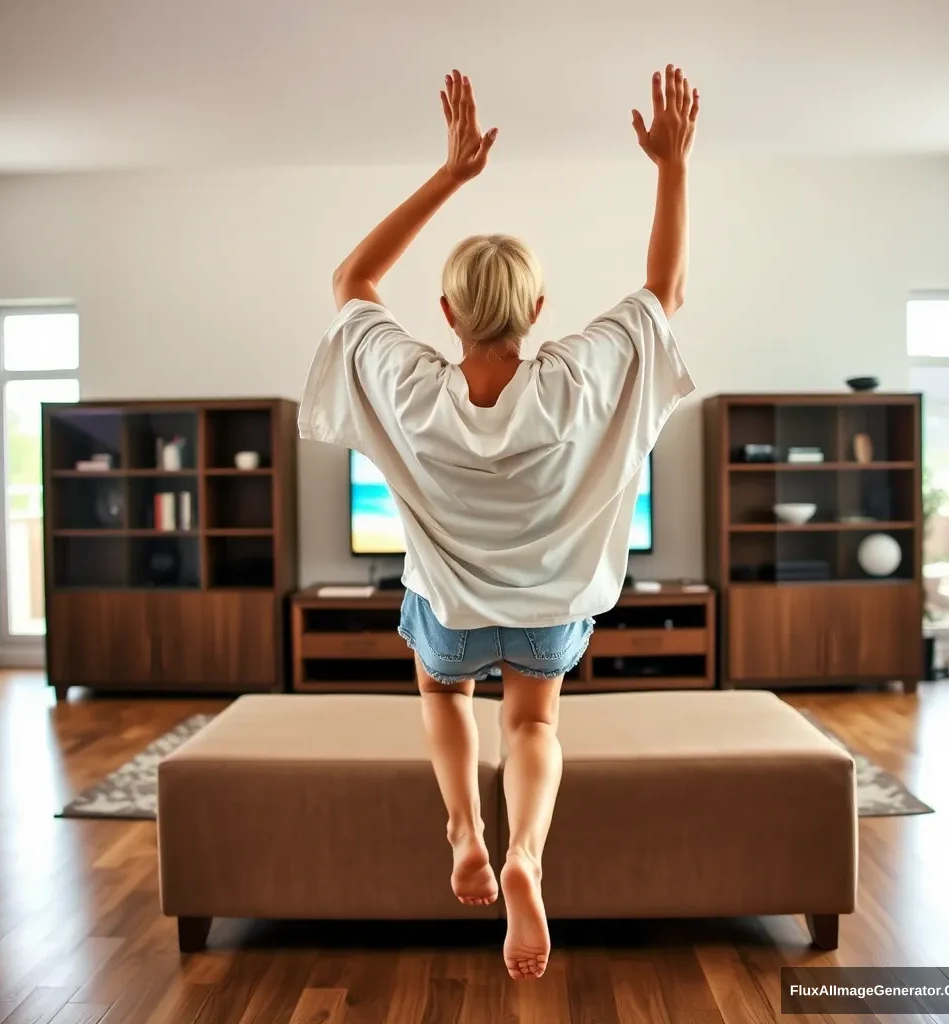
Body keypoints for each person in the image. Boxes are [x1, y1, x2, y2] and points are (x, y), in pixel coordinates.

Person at [298, 64, 698, 981]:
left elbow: (352, 279)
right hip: (549, 606)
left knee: (443, 696)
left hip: (448, 606)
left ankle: (463, 834)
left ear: (445, 314)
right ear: (538, 310)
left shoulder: (407, 384)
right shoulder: (575, 379)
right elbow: (663, 294)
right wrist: (670, 165)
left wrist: (451, 174)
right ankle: (527, 854)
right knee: (533, 729)